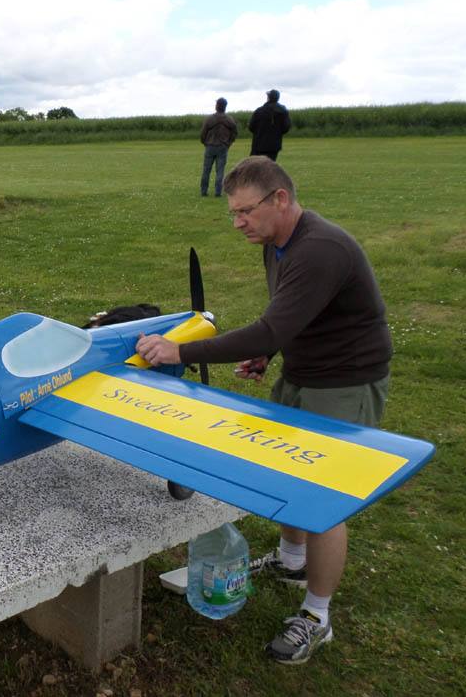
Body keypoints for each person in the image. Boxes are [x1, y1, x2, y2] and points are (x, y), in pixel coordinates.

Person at [135, 155, 393, 665]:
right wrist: (271, 352)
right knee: (282, 469)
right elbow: (288, 317)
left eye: (244, 212)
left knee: (324, 499)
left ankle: (317, 617)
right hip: (303, 370)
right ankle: (293, 561)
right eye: (232, 214)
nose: (238, 224)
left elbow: (272, 325)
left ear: (280, 199)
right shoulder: (278, 241)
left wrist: (180, 351)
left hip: (345, 379)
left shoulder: (320, 248)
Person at [199, 98, 238, 197]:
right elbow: (234, 133)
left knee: (206, 170)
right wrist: (228, 143)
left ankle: (204, 191)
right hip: (222, 147)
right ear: (225, 107)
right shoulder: (229, 119)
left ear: (216, 106)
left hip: (210, 146)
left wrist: (205, 142)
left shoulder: (209, 119)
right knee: (220, 170)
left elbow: (203, 133)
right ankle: (218, 192)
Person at [248, 89, 291, 161]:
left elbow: (251, 127)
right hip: (274, 145)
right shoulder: (283, 112)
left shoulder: (259, 111)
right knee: (270, 167)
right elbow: (286, 128)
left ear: (269, 98)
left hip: (259, 144)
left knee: (257, 166)